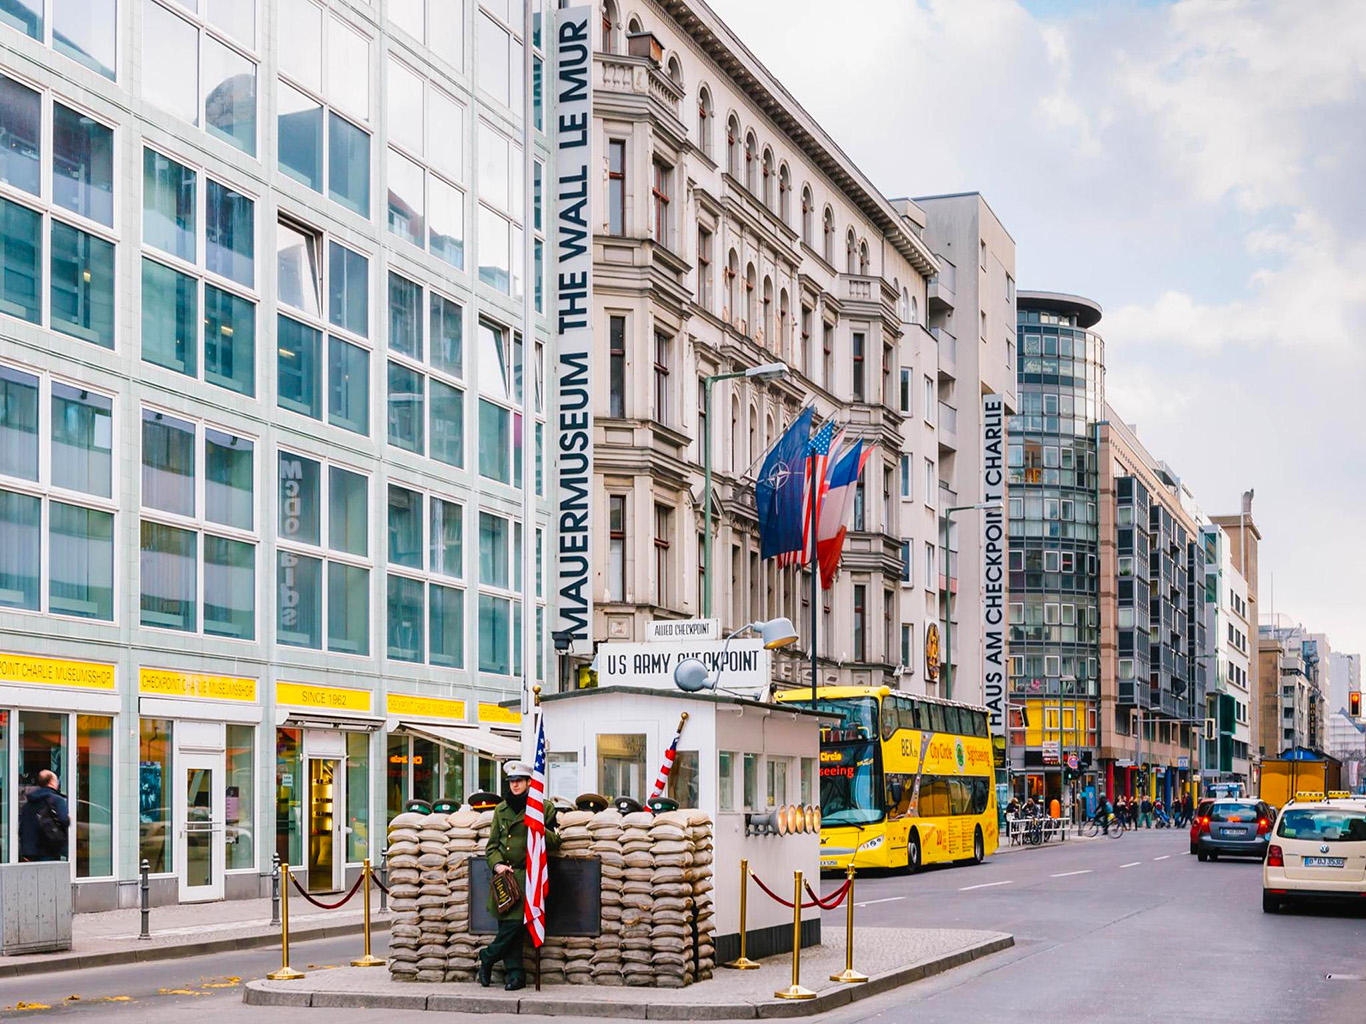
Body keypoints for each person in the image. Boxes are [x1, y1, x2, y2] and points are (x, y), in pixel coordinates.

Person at [477, 762, 561, 991]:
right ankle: (515, 974)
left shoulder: (543, 808)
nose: (514, 785)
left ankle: (487, 956)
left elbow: (556, 841)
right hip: (506, 876)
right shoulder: (500, 810)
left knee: (515, 923)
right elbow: (491, 847)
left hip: (529, 876)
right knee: (508, 923)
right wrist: (497, 867)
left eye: (519, 781)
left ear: (528, 783)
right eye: (511, 781)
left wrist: (538, 826)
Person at [19, 770, 69, 862]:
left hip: (30, 850)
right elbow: (64, 820)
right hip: (50, 848)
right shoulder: (57, 800)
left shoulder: (29, 802)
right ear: (51, 782)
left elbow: (22, 825)